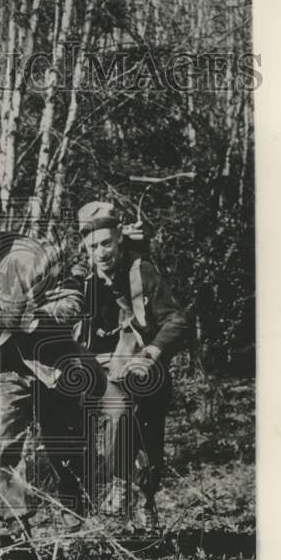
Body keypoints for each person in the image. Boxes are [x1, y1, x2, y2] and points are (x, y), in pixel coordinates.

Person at [0, 179, 106, 550]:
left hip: (50, 359)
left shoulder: (30, 255)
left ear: (0, 219)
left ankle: (74, 520)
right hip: (1, 362)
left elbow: (72, 301)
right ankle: (15, 527)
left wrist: (35, 319)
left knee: (66, 444)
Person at [74, 200, 188, 522]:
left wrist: (152, 352)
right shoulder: (81, 280)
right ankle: (117, 484)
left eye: (107, 243)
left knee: (149, 438)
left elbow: (176, 320)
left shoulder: (141, 272)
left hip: (142, 366)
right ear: (85, 247)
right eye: (94, 246)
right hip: (99, 371)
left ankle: (144, 499)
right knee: (118, 412)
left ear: (119, 239)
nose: (102, 252)